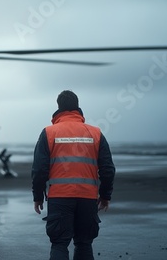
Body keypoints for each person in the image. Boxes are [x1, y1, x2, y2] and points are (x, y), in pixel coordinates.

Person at [31, 90, 115, 260]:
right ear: (77, 107)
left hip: (60, 198)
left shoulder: (49, 133)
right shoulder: (95, 133)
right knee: (84, 243)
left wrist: (38, 196)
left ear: (58, 107)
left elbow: (39, 169)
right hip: (88, 197)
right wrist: (105, 195)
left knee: (59, 243)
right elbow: (108, 169)